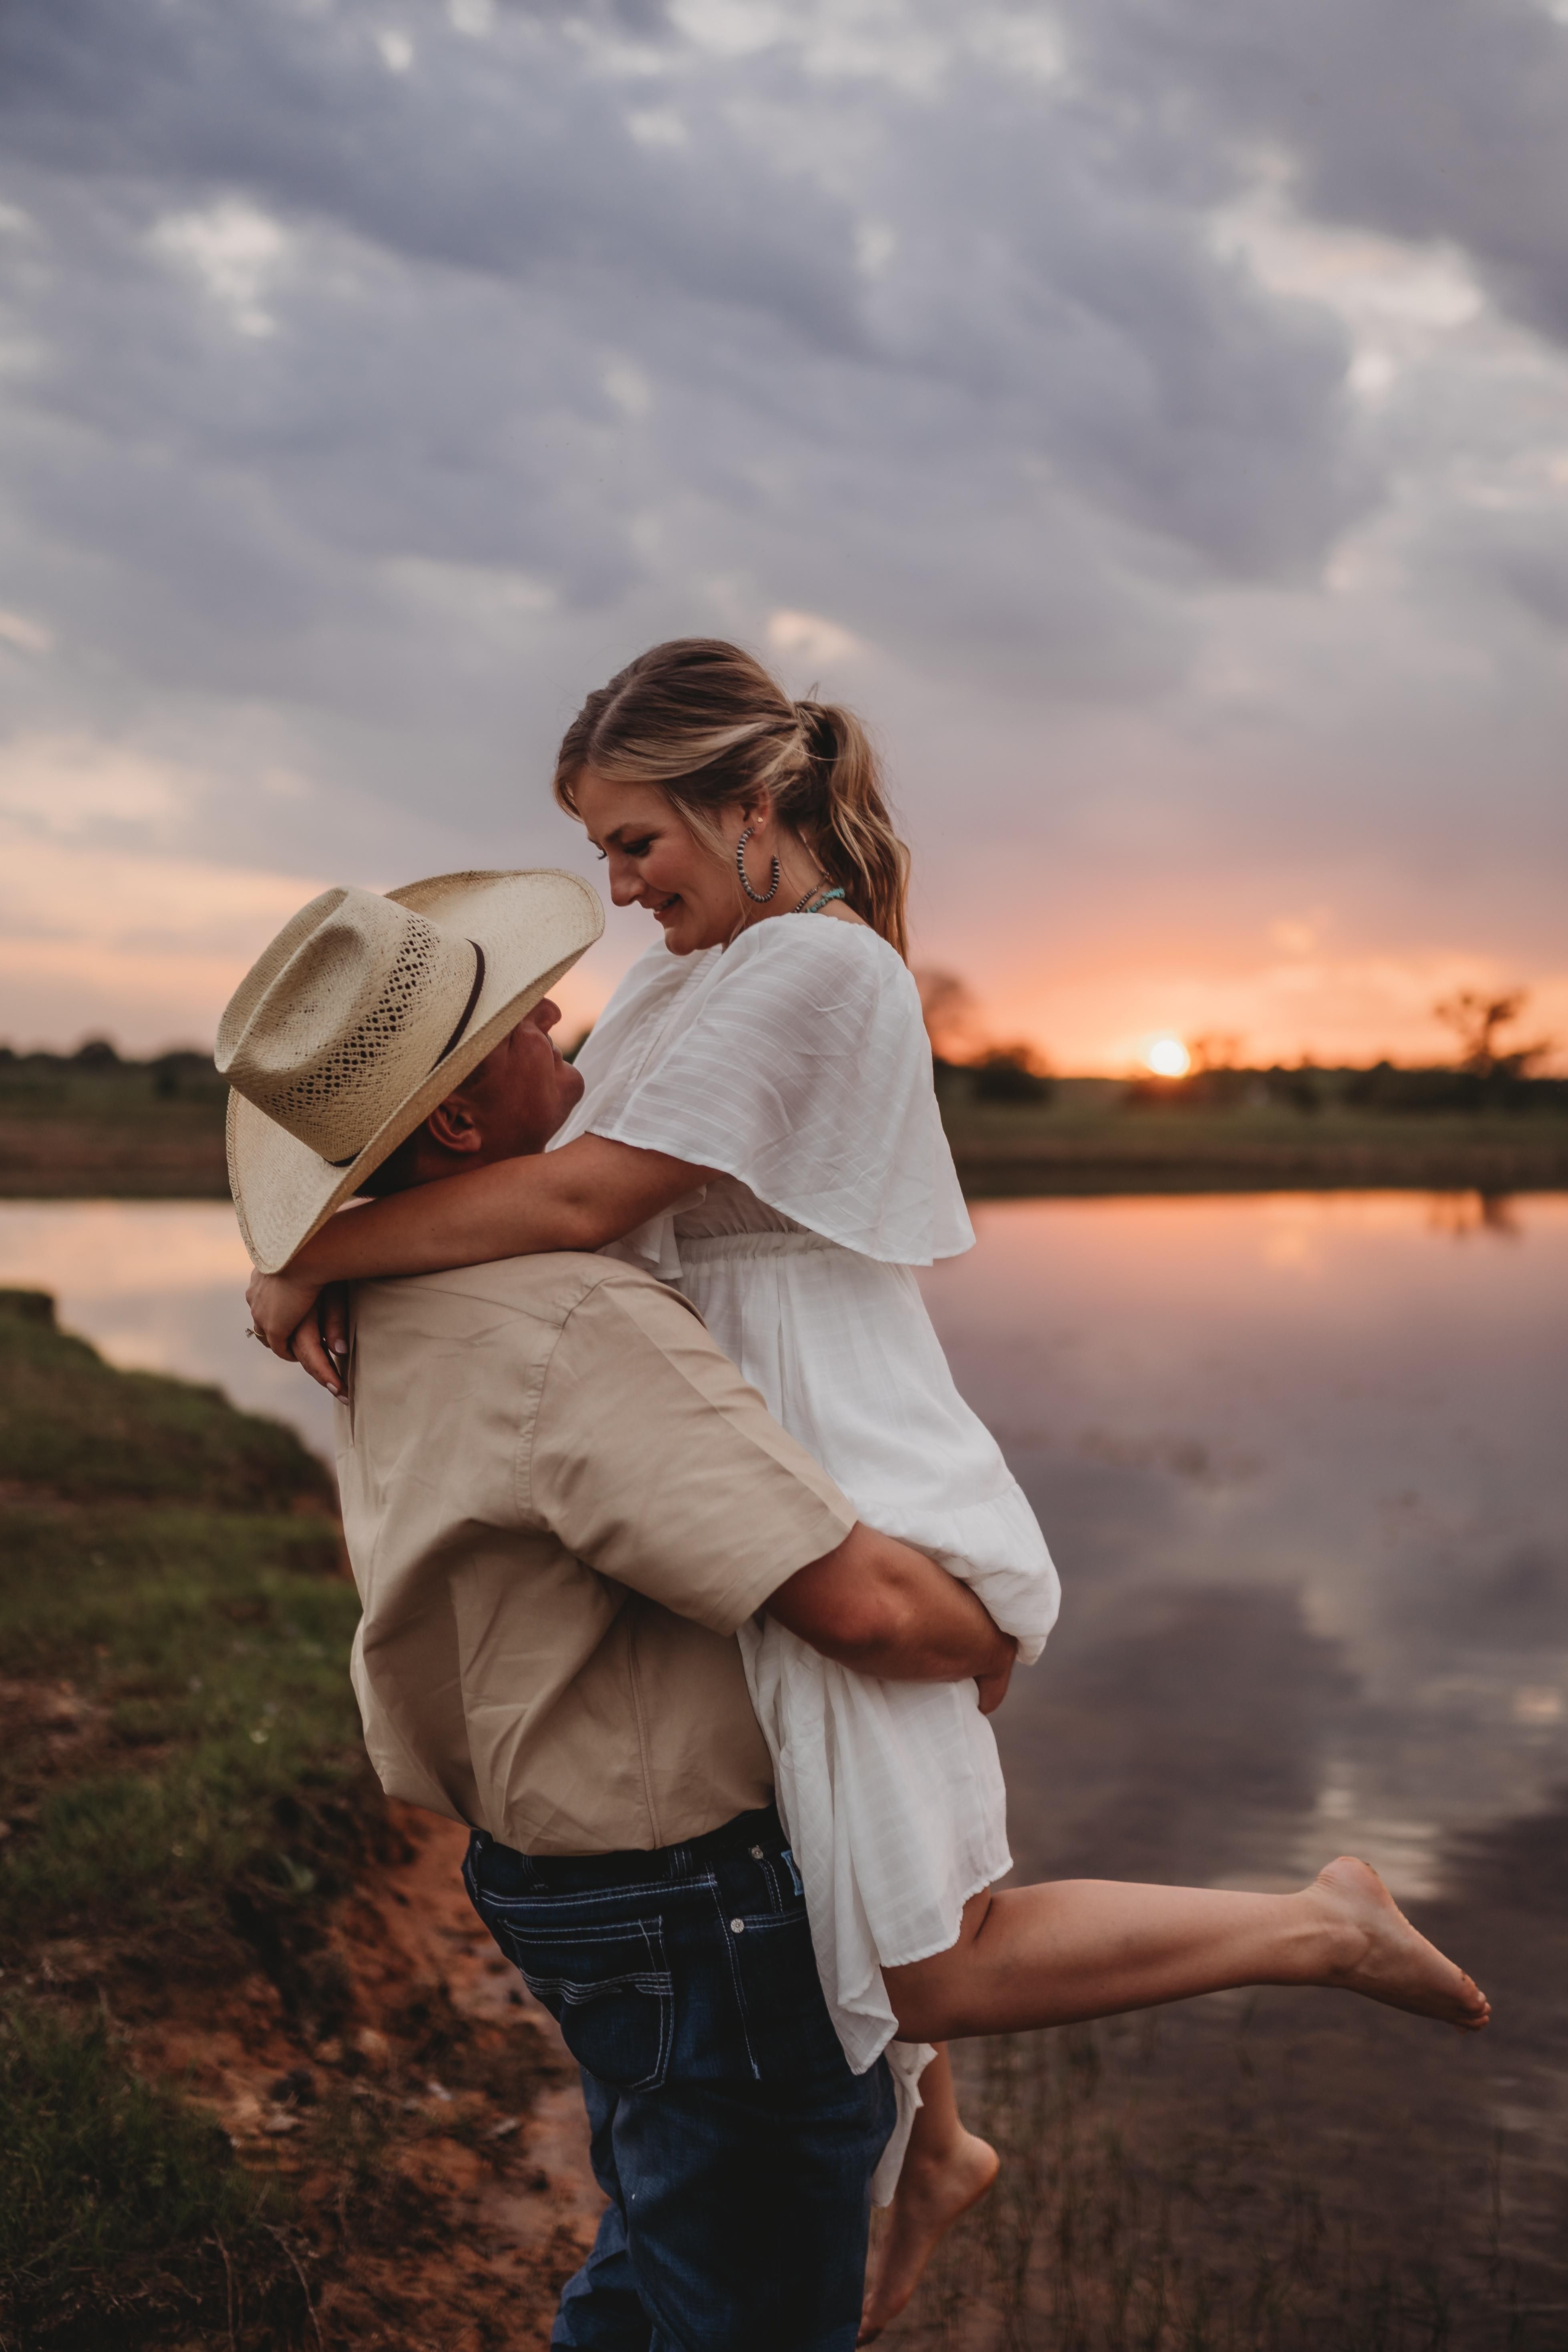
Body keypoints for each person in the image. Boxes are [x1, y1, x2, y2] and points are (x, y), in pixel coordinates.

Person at [241, 650, 1490, 2341]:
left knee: (919, 1941)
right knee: (867, 1866)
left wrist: (310, 1256)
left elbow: (587, 1187)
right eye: (600, 852)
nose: (613, 891)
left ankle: (1313, 1927)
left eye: (632, 841)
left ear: (750, 808)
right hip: (745, 1421)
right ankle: (944, 2143)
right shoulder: (703, 976)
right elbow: (554, 1184)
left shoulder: (817, 970)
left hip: (821, 1422)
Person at [219, 866, 1018, 2350]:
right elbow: (855, 1608)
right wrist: (991, 1636)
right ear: (459, 1120)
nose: (562, 1021)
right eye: (530, 1018)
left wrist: (282, 1275)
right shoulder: (569, 1316)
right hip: (689, 1899)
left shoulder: (377, 1298)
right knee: (748, 2308)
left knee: (662, 2252)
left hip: (554, 1871)